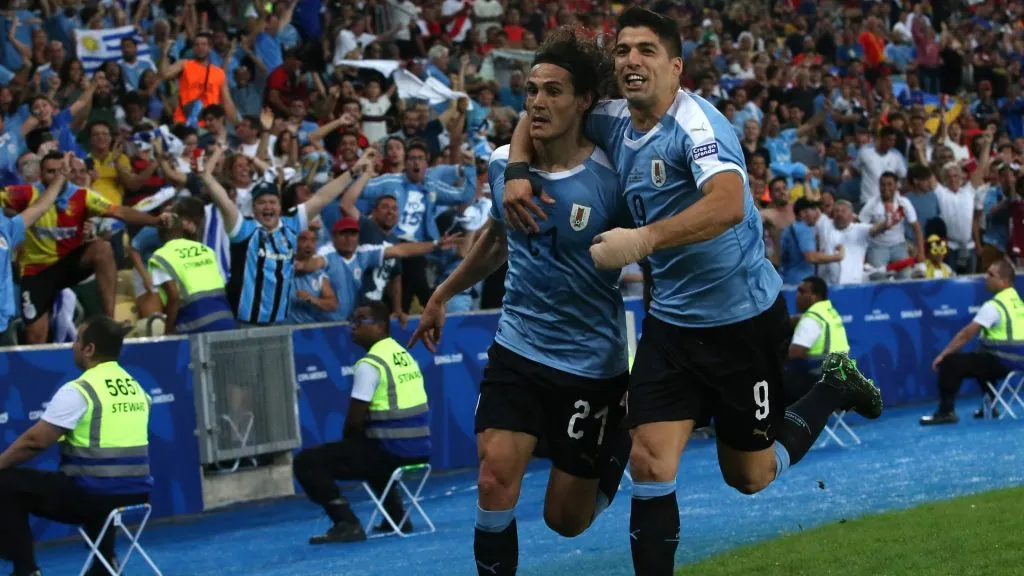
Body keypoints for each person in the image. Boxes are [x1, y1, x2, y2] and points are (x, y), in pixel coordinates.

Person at [500, 8, 883, 574]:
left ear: (676, 67)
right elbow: (543, 111)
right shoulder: (611, 118)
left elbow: (726, 203)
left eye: (646, 50)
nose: (631, 60)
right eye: (623, 50)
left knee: (749, 476)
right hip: (673, 326)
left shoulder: (698, 125)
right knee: (651, 463)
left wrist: (641, 240)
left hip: (743, 323)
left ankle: (832, 387)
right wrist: (515, 170)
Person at [410, 27, 632, 576]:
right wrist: (443, 293)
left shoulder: (612, 178)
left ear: (584, 101)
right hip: (519, 349)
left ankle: (615, 446)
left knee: (566, 520)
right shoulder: (502, 164)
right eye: (532, 90)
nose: (537, 102)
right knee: (493, 478)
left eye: (553, 91)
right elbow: (497, 238)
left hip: (590, 366)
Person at [0, 316, 151, 576]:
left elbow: (35, 442)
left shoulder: (81, 390)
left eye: (77, 340)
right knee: (96, 482)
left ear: (89, 349)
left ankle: (26, 570)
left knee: (3, 484)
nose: (73, 345)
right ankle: (105, 565)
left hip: (94, 496)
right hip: (137, 493)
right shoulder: (137, 388)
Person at [293, 301, 430, 544]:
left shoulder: (370, 364)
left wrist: (349, 445)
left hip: (392, 452)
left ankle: (346, 523)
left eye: (360, 321)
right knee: (368, 450)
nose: (353, 327)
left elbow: (353, 422)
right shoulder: (403, 355)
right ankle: (397, 517)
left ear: (380, 326)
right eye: (352, 321)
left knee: (307, 462)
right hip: (420, 449)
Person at [201, 145, 378, 326]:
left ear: (280, 206)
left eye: (272, 202)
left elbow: (322, 197)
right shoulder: (242, 228)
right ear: (253, 208)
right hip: (245, 323)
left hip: (281, 324)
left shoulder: (291, 224)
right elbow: (221, 198)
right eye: (261, 202)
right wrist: (208, 172)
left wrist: (353, 172)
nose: (268, 207)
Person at [924, 260, 1024, 425]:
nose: (986, 278)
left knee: (950, 363)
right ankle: (989, 406)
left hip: (1003, 363)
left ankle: (946, 412)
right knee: (980, 357)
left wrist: (943, 354)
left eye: (991, 275)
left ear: (1004, 281)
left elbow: (966, 334)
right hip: (1020, 363)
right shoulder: (1019, 304)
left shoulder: (994, 306)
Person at [147, 197, 237, 334]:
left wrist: (168, 332)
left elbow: (174, 298)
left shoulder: (161, 257)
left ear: (160, 230)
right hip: (225, 319)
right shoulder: (205, 250)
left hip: (194, 324)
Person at [787, 276, 850, 403]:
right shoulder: (828, 311)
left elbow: (794, 353)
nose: (797, 296)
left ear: (815, 296)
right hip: (841, 374)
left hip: (818, 376)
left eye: (802, 292)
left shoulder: (811, 319)